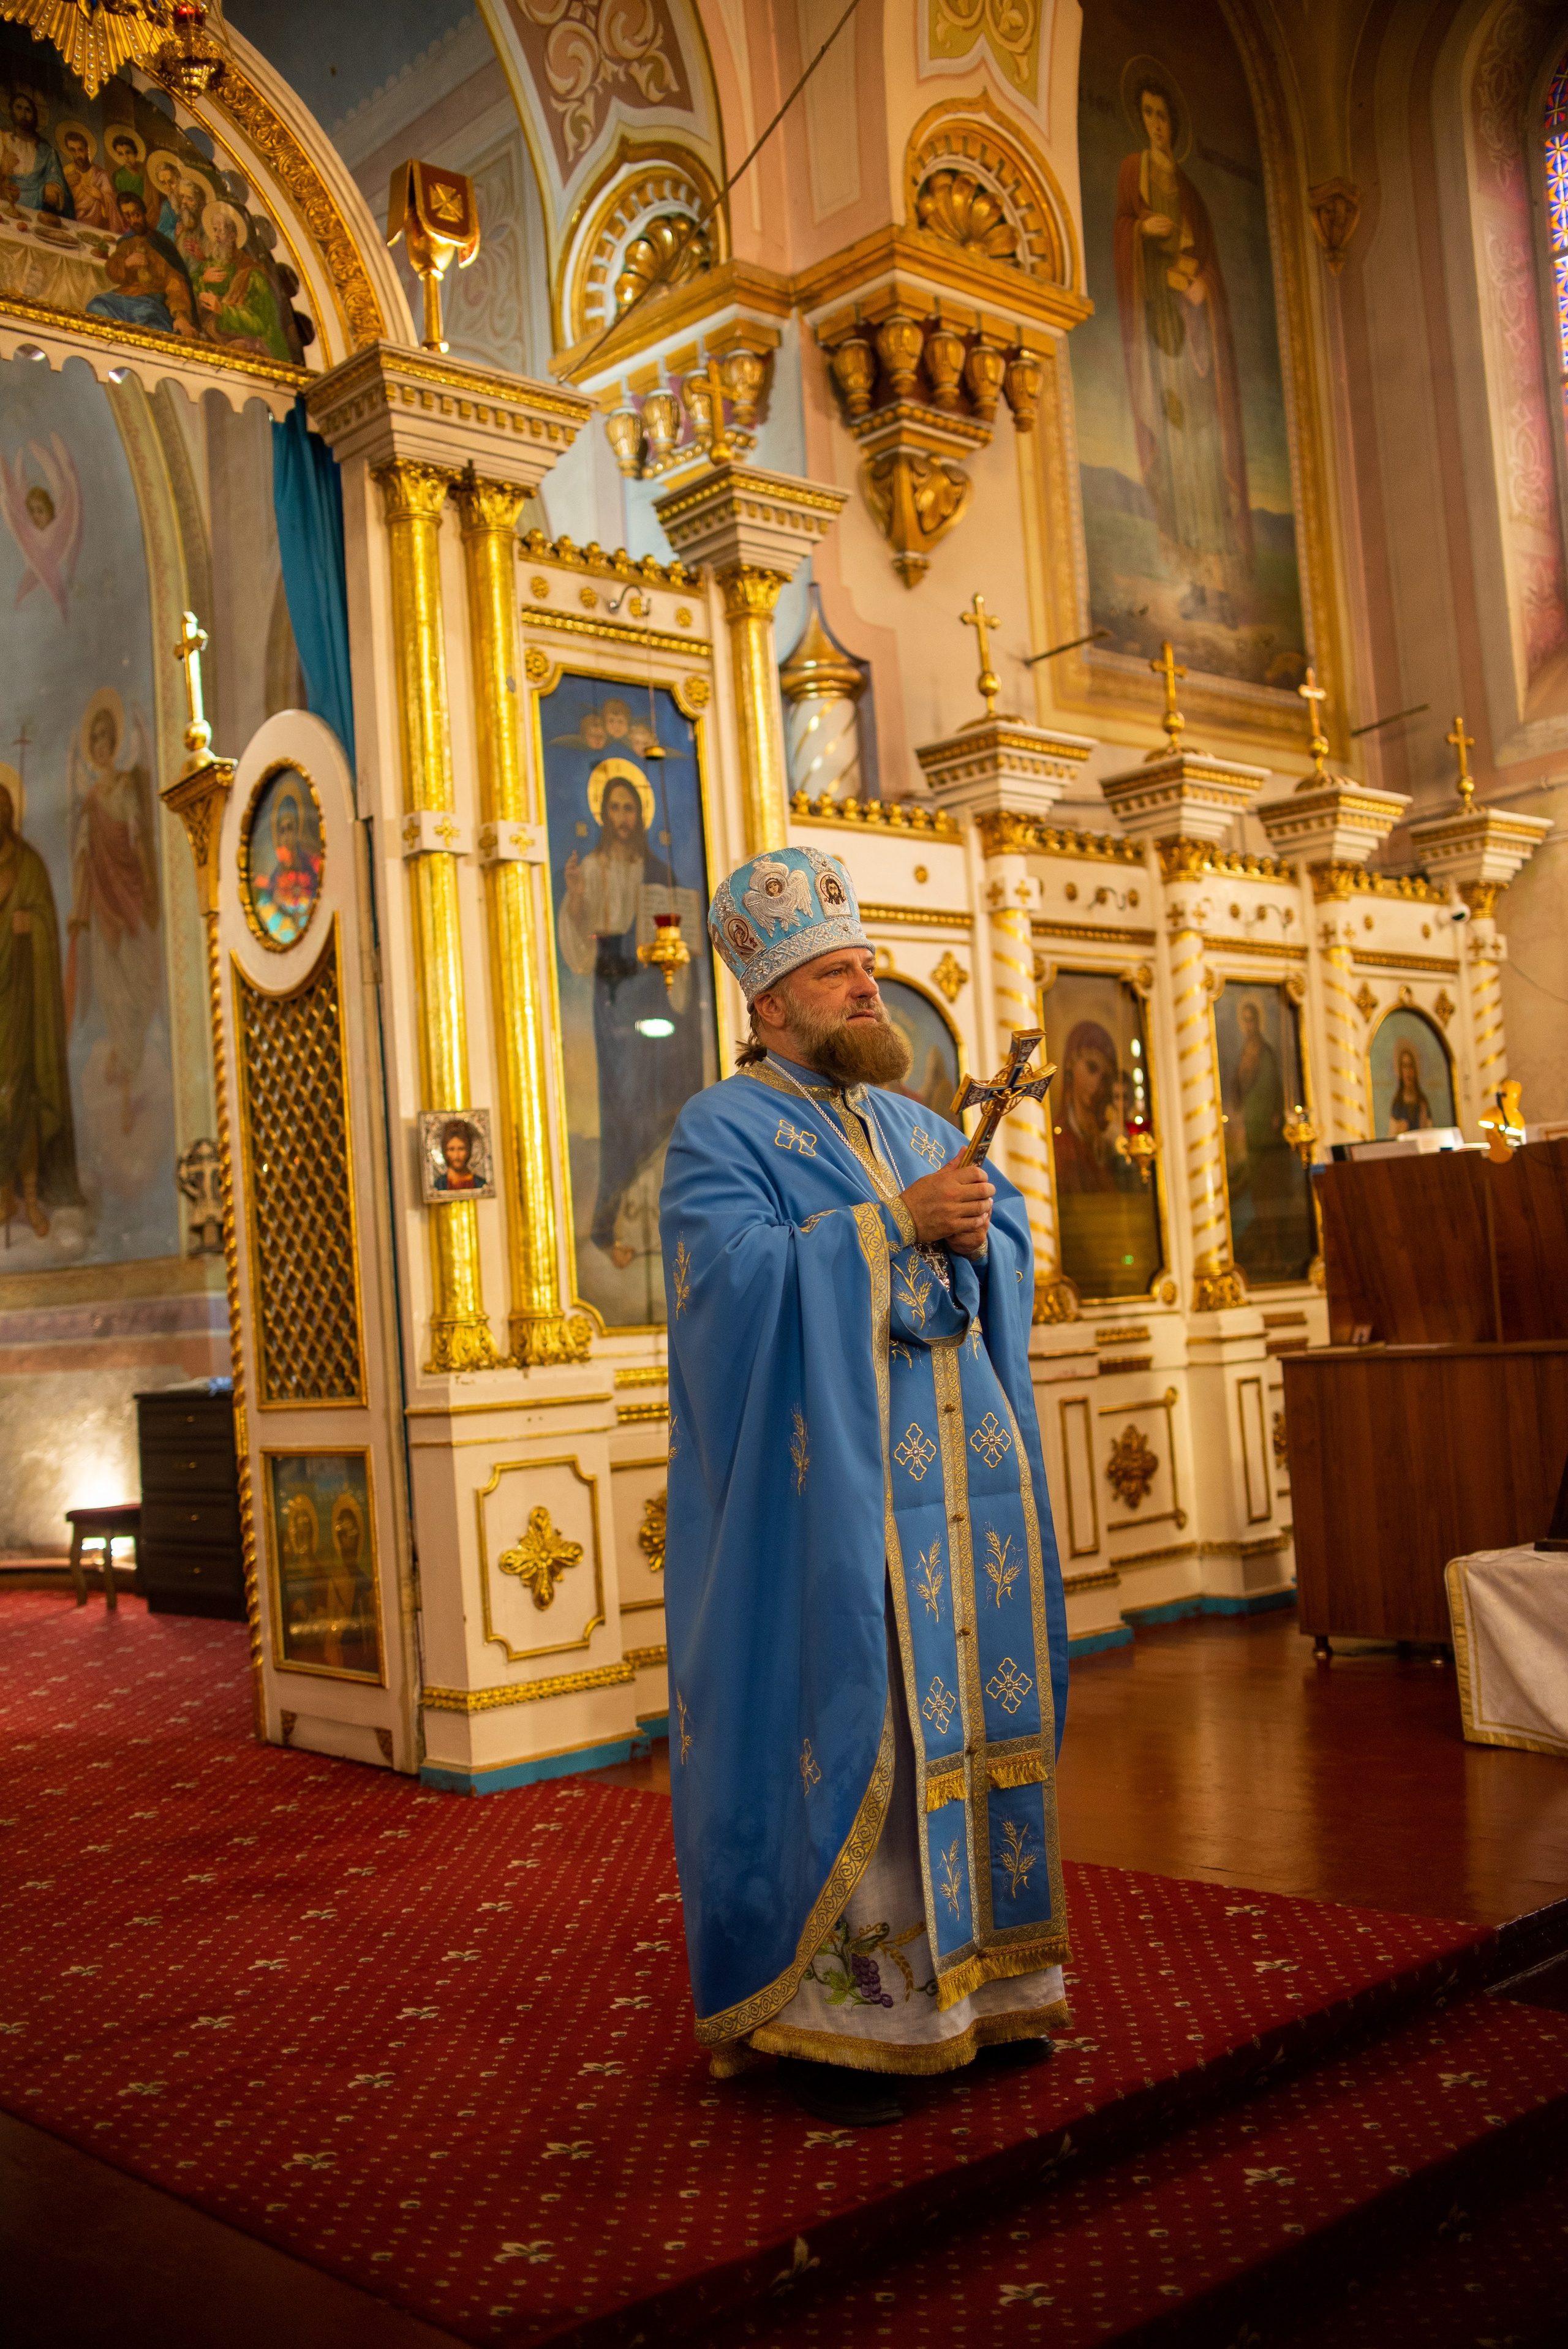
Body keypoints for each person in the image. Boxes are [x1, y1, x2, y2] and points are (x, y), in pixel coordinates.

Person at [660, 846, 1070, 2126]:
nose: (866, 987)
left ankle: (989, 1985)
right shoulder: (718, 1130)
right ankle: (851, 2008)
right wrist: (889, 1226)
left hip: (964, 1487)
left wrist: (976, 1229)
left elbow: (987, 1258)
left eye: (866, 966)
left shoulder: (919, 1118)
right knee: (871, 1719)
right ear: (767, 1000)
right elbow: (726, 1295)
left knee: (968, 1720)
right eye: (836, 973)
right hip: (833, 1503)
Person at [1113, 74, 1251, 625]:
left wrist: (1203, 290)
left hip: (1194, 354)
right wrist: (1141, 232)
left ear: (1175, 124)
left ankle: (1221, 589)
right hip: (1158, 341)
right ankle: (1195, 584)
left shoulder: (1191, 192)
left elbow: (1209, 265)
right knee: (1175, 465)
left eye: (1163, 116)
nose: (1156, 125)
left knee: (1203, 463)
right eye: (1148, 114)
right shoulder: (1132, 174)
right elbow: (1122, 234)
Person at [557, 765, 701, 1270]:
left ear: (641, 814)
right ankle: (606, 1221)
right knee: (623, 1110)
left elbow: (684, 945)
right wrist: (576, 899)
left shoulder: (660, 871)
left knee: (664, 1102)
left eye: (630, 808)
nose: (623, 817)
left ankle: (661, 1222)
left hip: (657, 1003)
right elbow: (580, 951)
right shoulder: (592, 868)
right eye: (615, 807)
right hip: (615, 1004)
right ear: (604, 814)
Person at [66, 692, 161, 1138]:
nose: (102, 745)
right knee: (113, 991)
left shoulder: (126, 788)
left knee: (141, 986)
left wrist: (152, 887)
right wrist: (79, 911)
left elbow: (141, 840)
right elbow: (83, 856)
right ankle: (125, 1077)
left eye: (108, 737)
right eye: (97, 739)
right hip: (105, 908)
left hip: (132, 898)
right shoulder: (88, 803)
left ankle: (135, 1062)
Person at [0, 772, 81, 1239]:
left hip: (22, 1005)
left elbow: (49, 925)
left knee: (22, 1100)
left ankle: (29, 1197)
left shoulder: (29, 865)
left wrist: (33, 926)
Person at [85, 191, 197, 339]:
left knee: (156, 332)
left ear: (144, 212)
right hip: (124, 297)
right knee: (95, 307)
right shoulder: (127, 242)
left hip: (151, 303)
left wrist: (181, 315)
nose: (133, 220)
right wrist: (126, 263)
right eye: (128, 216)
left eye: (136, 214)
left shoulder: (161, 245)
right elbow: (112, 269)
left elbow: (176, 282)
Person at [1052, 1020, 1123, 1192]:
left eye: (1104, 1077)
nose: (1097, 1083)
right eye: (1092, 1068)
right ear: (1070, 1063)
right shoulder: (1058, 1136)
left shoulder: (1108, 1138)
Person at [250, 775, 320, 944]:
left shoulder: (313, 863)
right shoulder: (271, 877)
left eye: (291, 828)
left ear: (298, 830)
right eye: (282, 830)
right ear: (277, 835)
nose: (287, 835)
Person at [1, 89, 70, 216]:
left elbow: (55, 176)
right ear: (11, 110)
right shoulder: (2, 140)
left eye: (28, 110)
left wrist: (53, 186)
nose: (23, 114)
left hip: (36, 206)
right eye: (19, 108)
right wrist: (2, 167)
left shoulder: (46, 151)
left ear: (35, 116)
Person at [56, 123, 121, 233]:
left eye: (80, 150)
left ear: (87, 149)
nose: (77, 155)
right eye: (73, 150)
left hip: (92, 228)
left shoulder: (101, 175)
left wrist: (101, 196)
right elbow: (57, 202)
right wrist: (64, 185)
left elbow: (113, 204)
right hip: (68, 224)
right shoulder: (67, 171)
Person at [1387, 1042, 1433, 1136]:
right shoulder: (1398, 1102)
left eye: (1410, 1066)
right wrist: (1399, 1131)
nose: (1408, 1071)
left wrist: (1424, 1127)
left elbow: (1430, 1131)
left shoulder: (1422, 1101)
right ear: (1400, 1070)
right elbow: (1391, 1135)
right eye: (1404, 1066)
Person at [432, 1121, 481, 1193]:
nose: (456, 1156)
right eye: (451, 1149)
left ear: (469, 1151)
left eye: (461, 1149)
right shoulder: (439, 1185)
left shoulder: (479, 1184)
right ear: (445, 1152)